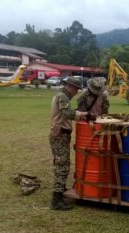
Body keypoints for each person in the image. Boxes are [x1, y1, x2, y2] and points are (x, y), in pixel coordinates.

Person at [50, 76, 89, 211]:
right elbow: (67, 113)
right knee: (62, 165)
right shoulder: (63, 96)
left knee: (62, 163)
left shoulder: (62, 95)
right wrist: (83, 114)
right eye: (76, 89)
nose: (76, 92)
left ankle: (60, 190)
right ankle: (57, 199)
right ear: (71, 87)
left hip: (62, 134)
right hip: (60, 134)